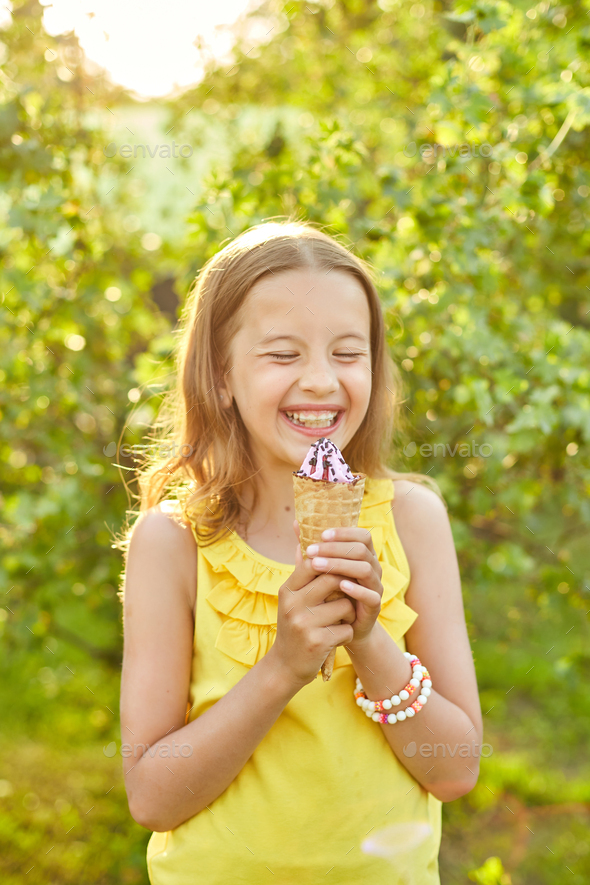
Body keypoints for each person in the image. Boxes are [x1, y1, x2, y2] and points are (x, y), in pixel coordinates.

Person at [117, 220, 483, 885]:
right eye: (283, 354)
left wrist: (370, 642)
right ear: (221, 374)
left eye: (348, 352)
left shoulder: (412, 520)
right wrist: (283, 665)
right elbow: (152, 795)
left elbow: (455, 767)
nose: (321, 380)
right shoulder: (170, 543)